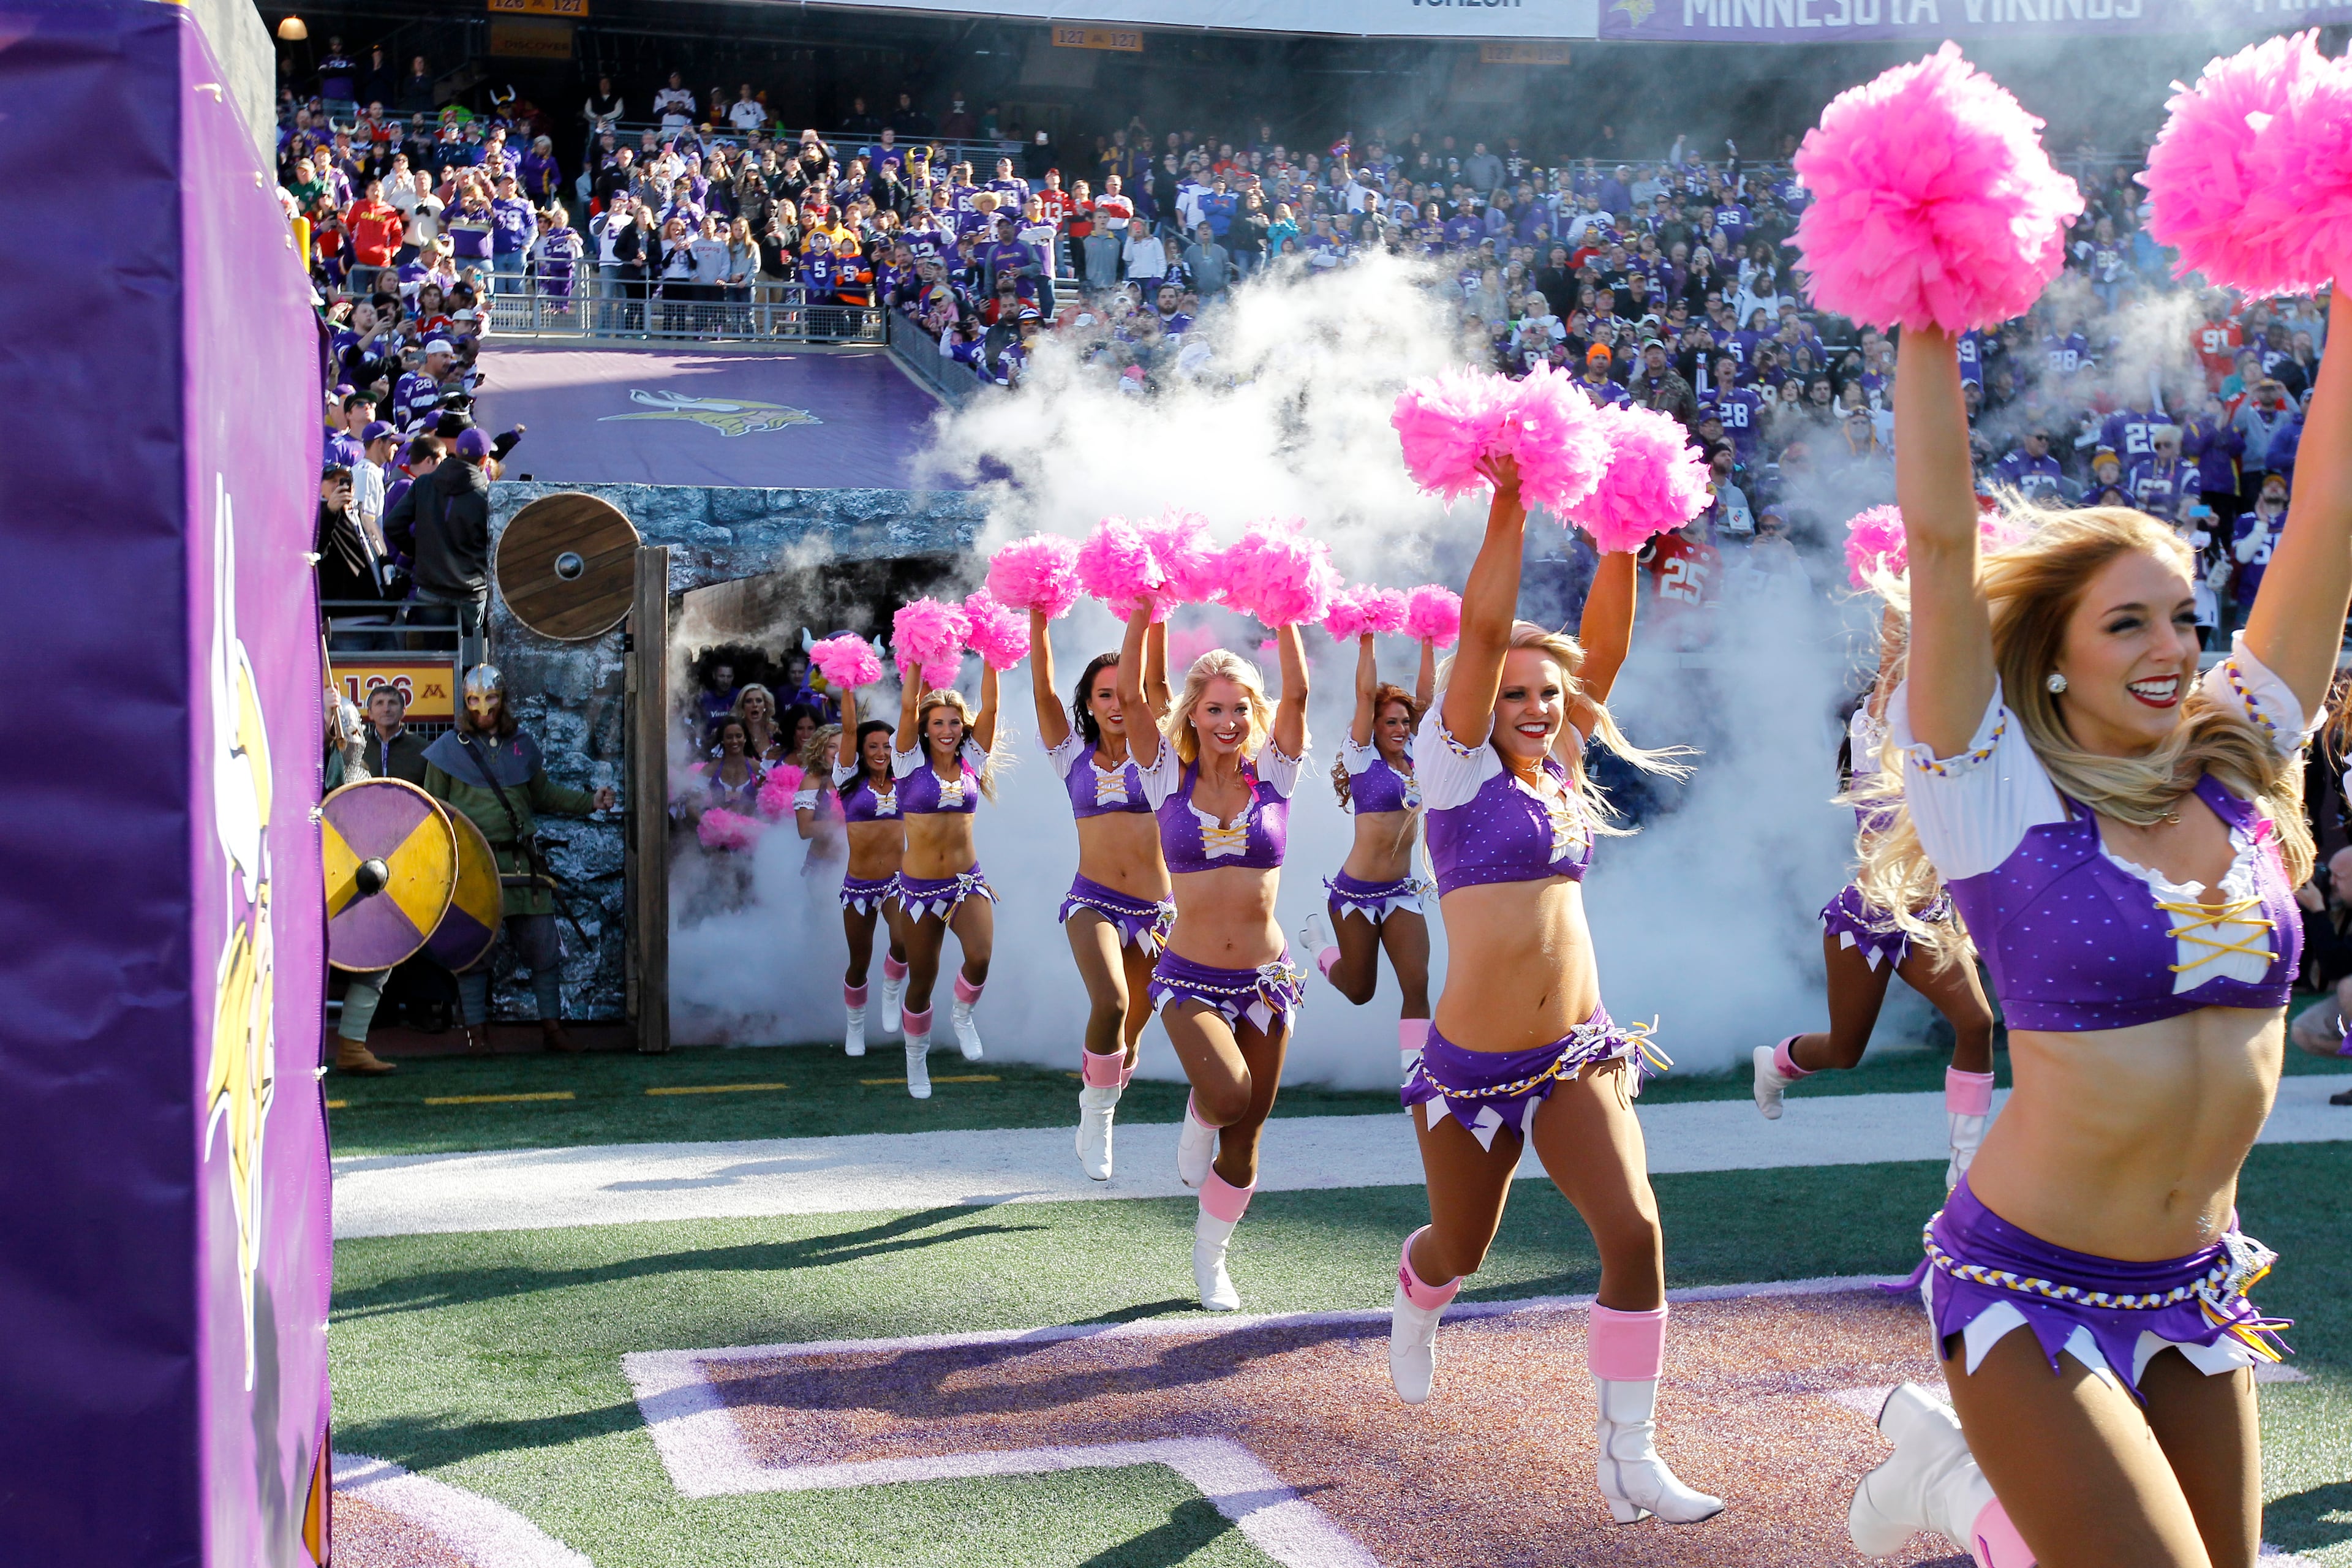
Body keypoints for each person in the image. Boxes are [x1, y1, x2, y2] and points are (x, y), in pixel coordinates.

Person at [1842, 313, 2349, 1566]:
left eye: (2184, 618)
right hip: (2027, 1282)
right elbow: (1945, 540)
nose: (2174, 649)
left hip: (2193, 1282)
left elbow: (2332, 507)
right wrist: (1923, 306)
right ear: (2056, 660)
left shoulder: (2236, 761)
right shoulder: (1996, 796)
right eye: (2127, 624)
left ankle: (1965, 1485)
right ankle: (1971, 1487)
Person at [1381, 457, 1717, 1525]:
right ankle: (1418, 1293)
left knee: (1634, 1232)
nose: (1534, 706)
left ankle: (1632, 1460)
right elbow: (1482, 636)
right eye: (1515, 694)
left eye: (1548, 693)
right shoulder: (1453, 771)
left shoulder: (1563, 766)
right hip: (1471, 1073)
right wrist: (1512, 499)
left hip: (1576, 1051)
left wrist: (1624, 532)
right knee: (1461, 1250)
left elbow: (1605, 648)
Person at [1752, 607, 1998, 1186]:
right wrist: (1910, 568)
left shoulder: (1945, 750)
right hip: (1864, 919)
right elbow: (1897, 655)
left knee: (1976, 1022)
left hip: (1929, 919)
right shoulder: (1880, 728)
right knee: (1844, 1051)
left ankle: (1963, 1161)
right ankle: (1777, 1063)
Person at [1115, 601, 1309, 1313]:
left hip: (1268, 977)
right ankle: (1198, 1118)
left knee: (1250, 1127)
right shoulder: (1167, 775)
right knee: (1226, 1098)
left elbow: (1302, 694)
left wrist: (1287, 612)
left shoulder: (1277, 777)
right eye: (1215, 708)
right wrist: (1141, 610)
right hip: (1190, 975)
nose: (1229, 722)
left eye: (1240, 709)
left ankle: (1211, 1259)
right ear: (1193, 714)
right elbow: (1134, 694)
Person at [1030, 606, 1175, 1182]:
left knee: (1131, 1039)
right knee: (1111, 1002)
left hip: (1157, 913)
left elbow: (1159, 686)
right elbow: (1041, 688)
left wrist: (1152, 608)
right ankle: (1097, 1117)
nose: (1117, 705)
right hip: (1092, 900)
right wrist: (1036, 611)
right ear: (1089, 704)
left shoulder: (1159, 754)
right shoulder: (1072, 758)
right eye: (1105, 696)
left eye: (1125, 694)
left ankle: (1104, 1100)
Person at [423, 665, 615, 1054]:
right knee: (473, 950)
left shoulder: (522, 745)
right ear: (465, 702)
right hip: (474, 865)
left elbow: (542, 795)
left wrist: (589, 802)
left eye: (491, 698)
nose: (483, 708)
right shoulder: (447, 750)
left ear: (503, 700)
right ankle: (477, 1036)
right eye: (474, 700)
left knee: (544, 948)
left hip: (521, 863)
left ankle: (553, 1030)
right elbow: (433, 812)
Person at [1301, 625, 1438, 1075]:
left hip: (1402, 891)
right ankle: (1319, 947)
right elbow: (1364, 694)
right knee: (1361, 991)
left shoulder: (1419, 754)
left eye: (1404, 721)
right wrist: (1366, 637)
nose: (1399, 728)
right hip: (1356, 893)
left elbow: (1429, 698)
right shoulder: (1362, 758)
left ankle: (1417, 1077)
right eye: (1389, 722)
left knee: (1417, 983)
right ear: (1373, 727)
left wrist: (1429, 639)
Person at [890, 660, 1003, 1097]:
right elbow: (906, 708)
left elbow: (991, 710)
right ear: (926, 727)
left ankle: (961, 1015)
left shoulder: (973, 759)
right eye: (938, 722)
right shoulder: (906, 765)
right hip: (918, 891)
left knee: (980, 956)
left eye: (955, 722)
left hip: (964, 884)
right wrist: (916, 658)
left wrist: (994, 655)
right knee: (922, 979)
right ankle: (915, 1060)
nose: (947, 729)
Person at [829, 680, 912, 1058]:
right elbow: (848, 729)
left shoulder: (906, 781)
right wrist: (847, 684)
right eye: (873, 746)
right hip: (859, 886)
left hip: (897, 883)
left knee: (903, 941)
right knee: (859, 961)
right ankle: (855, 1029)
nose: (881, 752)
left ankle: (892, 992)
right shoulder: (848, 783)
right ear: (861, 751)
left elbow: (913, 718)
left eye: (887, 746)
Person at [385, 426, 491, 673]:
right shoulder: (486, 495)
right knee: (474, 665)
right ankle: (468, 710)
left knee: (435, 662)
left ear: (454, 452)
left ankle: (437, 709)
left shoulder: (424, 484)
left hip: (431, 588)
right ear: (484, 460)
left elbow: (393, 524)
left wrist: (417, 550)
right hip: (471, 592)